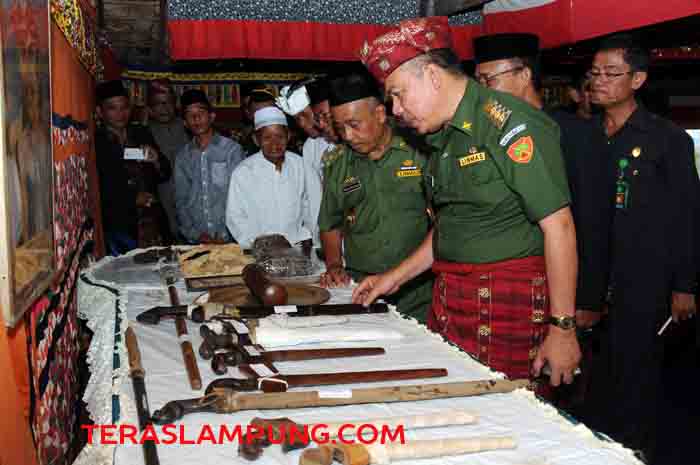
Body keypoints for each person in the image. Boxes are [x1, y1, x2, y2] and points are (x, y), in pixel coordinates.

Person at [353, 17, 581, 390]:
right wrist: (394, 278)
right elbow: (452, 225)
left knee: (509, 413)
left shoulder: (508, 123)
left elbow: (560, 226)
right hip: (453, 299)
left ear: (432, 75)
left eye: (398, 94)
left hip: (506, 301)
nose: (395, 110)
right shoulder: (444, 136)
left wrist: (563, 328)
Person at [585, 34, 698, 460]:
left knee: (637, 384)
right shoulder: (584, 135)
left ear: (637, 79)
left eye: (611, 73)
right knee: (593, 386)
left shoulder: (667, 139)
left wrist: (684, 285)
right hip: (590, 283)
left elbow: (687, 217)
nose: (599, 81)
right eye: (594, 73)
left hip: (645, 283)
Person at [317, 73, 433, 321]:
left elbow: (445, 220)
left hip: (418, 288)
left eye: (354, 124)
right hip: (362, 290)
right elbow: (330, 222)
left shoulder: (419, 153)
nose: (348, 136)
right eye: (340, 127)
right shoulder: (338, 165)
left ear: (380, 114)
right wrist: (334, 264)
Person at [94, 80, 172, 255]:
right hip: (119, 228)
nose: (120, 113)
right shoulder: (97, 143)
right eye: (112, 108)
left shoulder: (141, 133)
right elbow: (100, 189)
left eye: (124, 107)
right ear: (99, 112)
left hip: (153, 221)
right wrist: (132, 199)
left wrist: (156, 160)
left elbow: (165, 173)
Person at [226, 107, 313, 248]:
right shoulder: (243, 172)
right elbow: (235, 217)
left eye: (280, 136)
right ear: (256, 140)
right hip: (259, 251)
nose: (274, 143)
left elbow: (309, 205)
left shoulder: (300, 165)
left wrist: (306, 235)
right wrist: (258, 243)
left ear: (288, 136)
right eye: (267, 138)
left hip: (296, 247)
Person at [174, 89, 244, 244]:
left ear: (212, 116)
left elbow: (240, 197)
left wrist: (225, 233)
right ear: (185, 123)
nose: (196, 118)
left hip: (230, 237)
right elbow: (181, 201)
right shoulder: (182, 157)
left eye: (201, 112)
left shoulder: (231, 150)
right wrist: (195, 234)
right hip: (198, 240)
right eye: (190, 114)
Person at [277, 78, 336, 245]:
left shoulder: (347, 139)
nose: (302, 124)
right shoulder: (310, 146)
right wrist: (315, 236)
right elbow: (314, 196)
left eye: (304, 115)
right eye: (297, 119)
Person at [147, 78, 190, 236]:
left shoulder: (187, 127)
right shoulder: (145, 132)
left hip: (188, 192)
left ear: (176, 105)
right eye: (158, 104)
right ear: (150, 108)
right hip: (161, 195)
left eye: (168, 103)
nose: (164, 108)